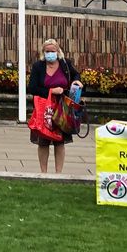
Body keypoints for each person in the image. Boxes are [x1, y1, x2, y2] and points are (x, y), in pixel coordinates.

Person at [27, 38, 83, 174]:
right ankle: (43, 172)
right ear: (43, 52)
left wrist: (77, 81)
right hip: (44, 107)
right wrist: (51, 91)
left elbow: (75, 74)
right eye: (47, 51)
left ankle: (59, 173)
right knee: (43, 141)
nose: (50, 54)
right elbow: (33, 88)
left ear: (58, 51)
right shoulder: (38, 66)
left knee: (60, 141)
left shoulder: (65, 64)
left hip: (62, 108)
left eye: (52, 51)